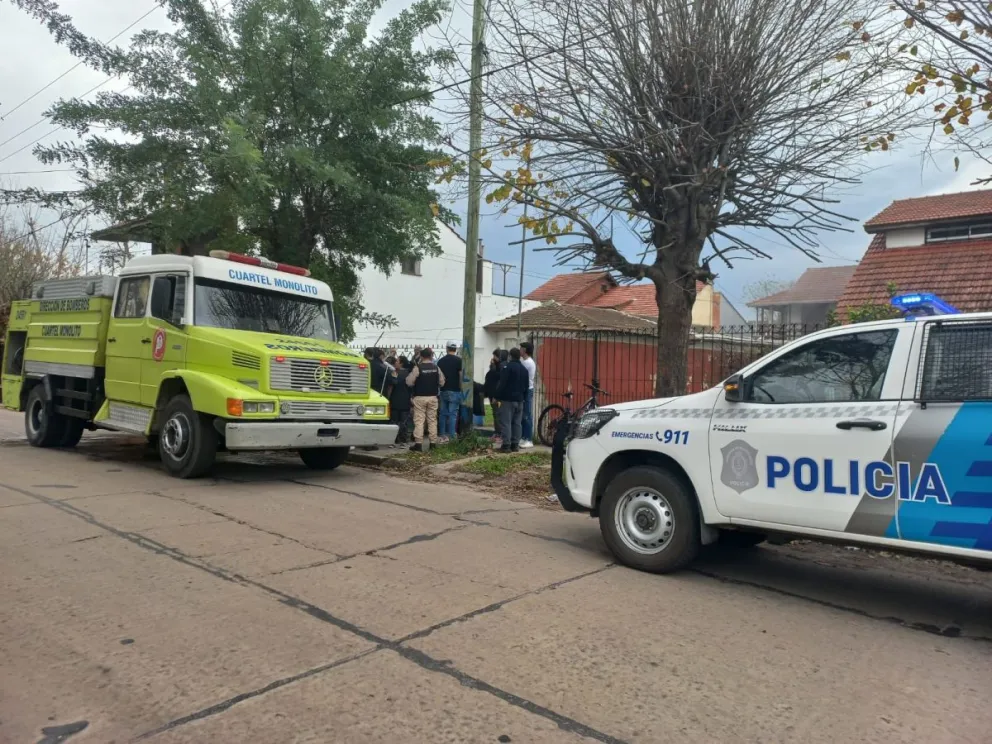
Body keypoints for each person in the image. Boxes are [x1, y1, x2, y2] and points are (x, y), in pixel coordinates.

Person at [406, 347, 444, 451]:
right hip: (433, 397)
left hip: (420, 397)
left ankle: (418, 444)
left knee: (419, 420)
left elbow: (409, 382)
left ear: (421, 357)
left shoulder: (418, 368)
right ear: (431, 356)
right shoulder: (436, 368)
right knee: (432, 420)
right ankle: (433, 444)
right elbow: (442, 382)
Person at [495, 347, 528, 452]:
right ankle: (515, 444)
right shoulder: (524, 370)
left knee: (506, 422)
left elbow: (502, 383)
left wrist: (497, 396)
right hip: (520, 400)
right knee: (517, 423)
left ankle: (506, 445)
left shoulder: (507, 367)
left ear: (510, 356)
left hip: (508, 400)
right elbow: (527, 386)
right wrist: (524, 398)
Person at [436, 342, 462, 443]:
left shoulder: (440, 361)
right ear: (455, 349)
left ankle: (442, 435)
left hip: (443, 390)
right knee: (453, 414)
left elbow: (438, 376)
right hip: (455, 390)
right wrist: (461, 388)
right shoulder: (459, 361)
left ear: (447, 348)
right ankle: (452, 436)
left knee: (442, 413)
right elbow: (460, 375)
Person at [387, 356, 411, 444]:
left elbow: (392, 385)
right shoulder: (409, 373)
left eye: (397, 361)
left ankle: (395, 438)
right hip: (405, 401)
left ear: (401, 363)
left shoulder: (395, 373)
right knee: (404, 421)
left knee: (394, 421)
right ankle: (403, 439)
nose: (395, 363)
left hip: (395, 400)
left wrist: (388, 398)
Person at [519, 341, 537, 448]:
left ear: (525, 350)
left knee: (527, 415)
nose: (519, 350)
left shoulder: (528, 363)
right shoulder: (524, 361)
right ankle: (524, 437)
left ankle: (529, 439)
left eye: (521, 348)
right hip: (524, 389)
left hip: (527, 390)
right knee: (523, 415)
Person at [484, 349, 503, 444]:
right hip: (492, 394)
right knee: (495, 414)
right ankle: (497, 432)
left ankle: (499, 434)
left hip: (496, 395)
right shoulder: (496, 366)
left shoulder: (500, 367)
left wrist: (492, 366)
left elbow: (495, 377)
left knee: (498, 414)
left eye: (494, 356)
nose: (493, 358)